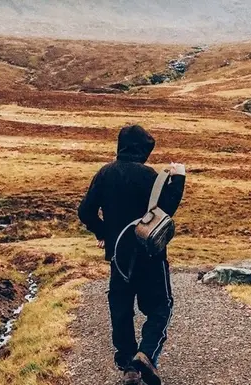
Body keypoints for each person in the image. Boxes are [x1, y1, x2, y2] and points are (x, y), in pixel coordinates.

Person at [78, 124, 185, 385]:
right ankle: (145, 354)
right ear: (143, 149)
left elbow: (85, 212)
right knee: (161, 306)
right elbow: (166, 213)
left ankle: (129, 365)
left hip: (119, 258)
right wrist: (179, 178)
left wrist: (104, 233)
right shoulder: (152, 177)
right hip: (151, 257)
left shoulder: (105, 174)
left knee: (121, 309)